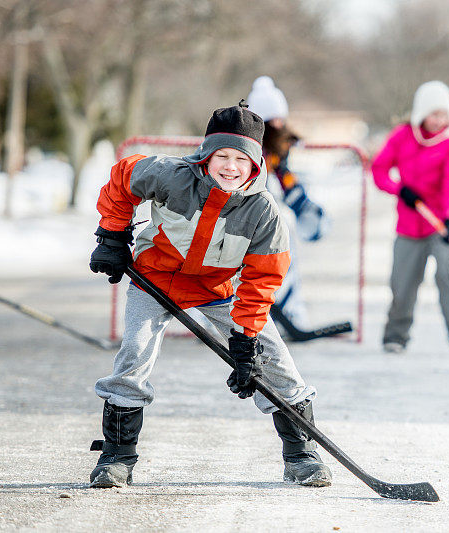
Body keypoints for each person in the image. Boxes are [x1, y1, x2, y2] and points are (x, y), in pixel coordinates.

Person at [87, 101, 332, 489]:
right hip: (155, 279)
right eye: (222, 155)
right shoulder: (172, 176)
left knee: (275, 360)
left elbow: (262, 279)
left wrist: (246, 342)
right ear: (206, 154)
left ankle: (301, 454)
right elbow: (123, 176)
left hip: (218, 289)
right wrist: (112, 235)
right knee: (134, 353)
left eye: (241, 158)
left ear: (256, 164)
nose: (230, 166)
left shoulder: (264, 212)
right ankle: (117, 456)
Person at [371, 81, 449, 355]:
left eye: (445, 115)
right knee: (401, 284)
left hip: (440, 226)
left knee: (447, 276)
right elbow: (379, 170)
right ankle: (395, 336)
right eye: (434, 114)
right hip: (408, 225)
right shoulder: (402, 136)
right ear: (421, 113)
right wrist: (399, 189)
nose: (440, 120)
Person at [246, 76, 329, 334]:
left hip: (270, 223)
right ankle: (219, 321)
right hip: (244, 222)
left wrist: (306, 209)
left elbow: (287, 181)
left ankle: (289, 314)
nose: (280, 125)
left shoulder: (277, 149)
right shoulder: (246, 151)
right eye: (274, 120)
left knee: (285, 260)